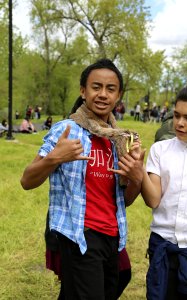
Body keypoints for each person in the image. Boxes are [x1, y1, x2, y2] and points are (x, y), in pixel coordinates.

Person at [20, 58, 144, 300]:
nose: (102, 94)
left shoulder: (119, 139)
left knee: (113, 282)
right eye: (96, 87)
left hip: (113, 234)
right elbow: (26, 181)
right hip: (80, 234)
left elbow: (124, 201)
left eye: (110, 89)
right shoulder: (66, 130)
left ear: (118, 96)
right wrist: (54, 158)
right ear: (83, 91)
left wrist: (136, 179)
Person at [141, 84, 187, 300]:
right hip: (164, 247)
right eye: (176, 115)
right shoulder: (160, 150)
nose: (180, 123)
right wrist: (139, 170)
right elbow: (153, 200)